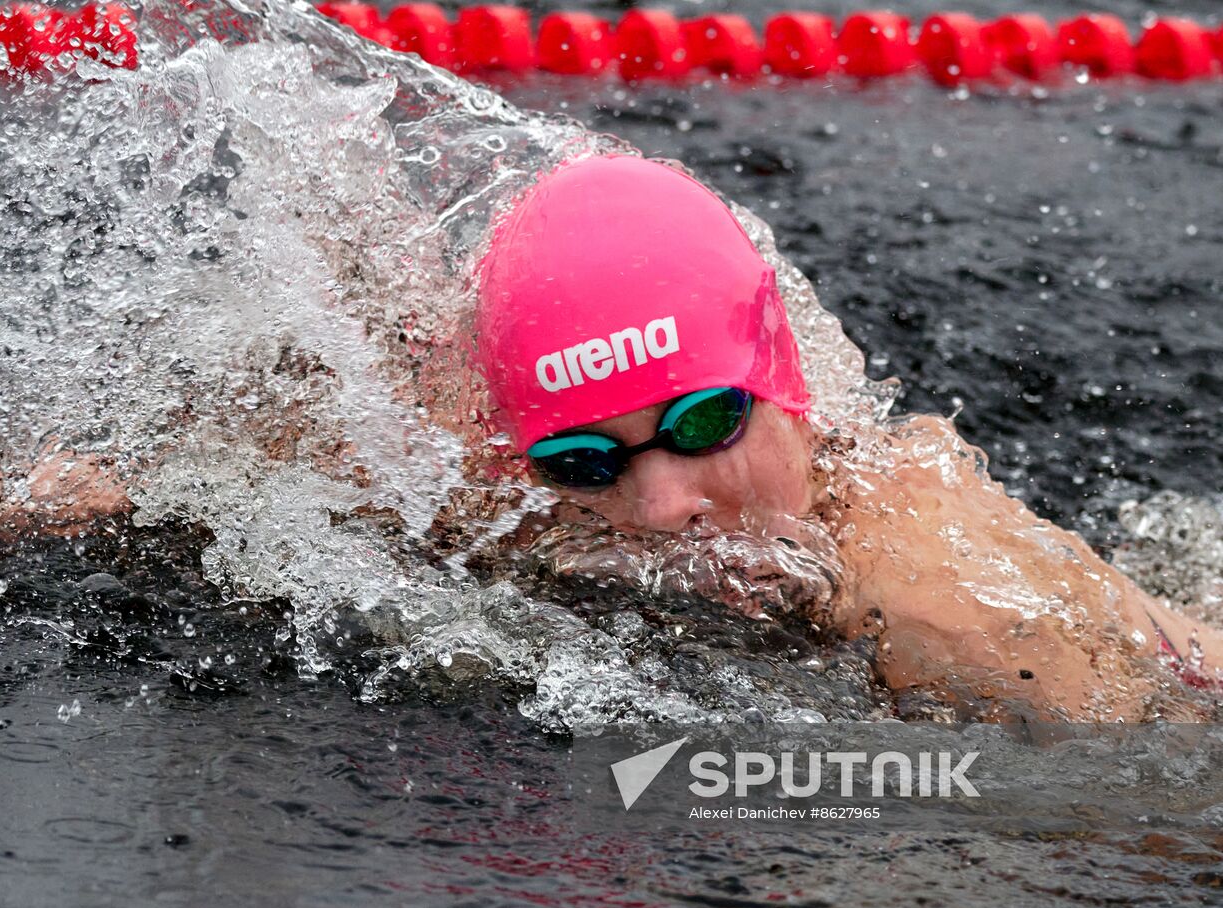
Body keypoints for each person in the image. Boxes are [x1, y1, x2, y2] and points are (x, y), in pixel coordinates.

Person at [472, 153, 1222, 722]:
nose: (662, 505)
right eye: (582, 461)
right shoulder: (514, 502)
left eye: (702, 423)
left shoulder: (953, 623)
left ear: (789, 395)